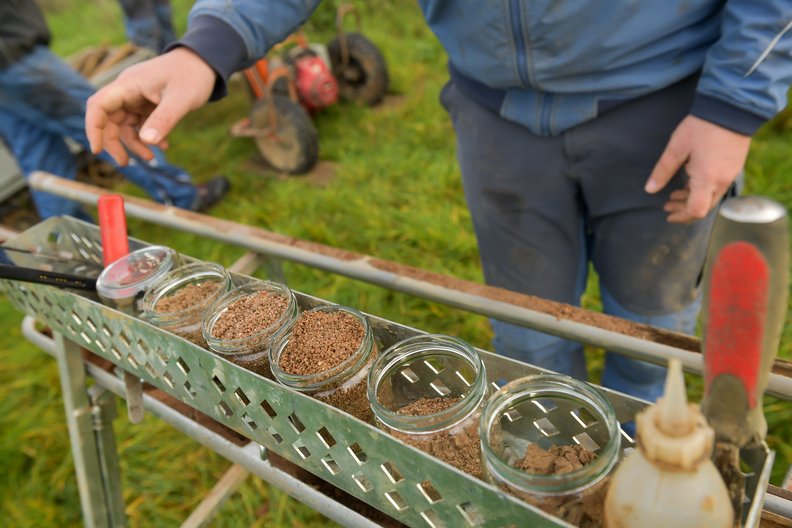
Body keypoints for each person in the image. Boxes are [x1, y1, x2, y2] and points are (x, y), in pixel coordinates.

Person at [85, 1, 792, 402]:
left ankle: (645, 445)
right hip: (497, 116)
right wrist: (205, 48)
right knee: (526, 328)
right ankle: (550, 459)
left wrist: (733, 107)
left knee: (653, 324)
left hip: (664, 110)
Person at [0, 1, 228, 222]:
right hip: (16, 57)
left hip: (9, 63)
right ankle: (180, 195)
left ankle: (66, 243)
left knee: (40, 156)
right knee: (104, 120)